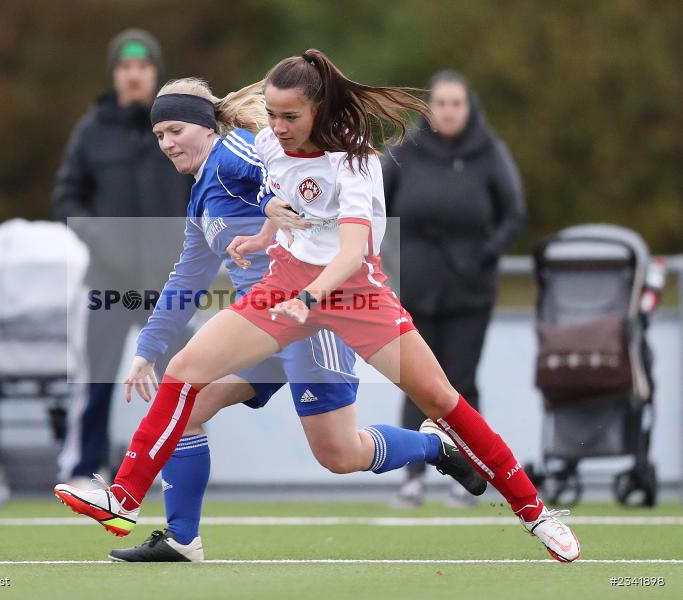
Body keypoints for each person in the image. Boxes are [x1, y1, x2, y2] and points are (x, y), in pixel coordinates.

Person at [55, 49, 581, 563]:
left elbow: (351, 251)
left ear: (319, 110)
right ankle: (125, 500)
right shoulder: (264, 143)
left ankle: (534, 511)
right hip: (285, 290)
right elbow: (273, 197)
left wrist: (308, 296)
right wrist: (264, 235)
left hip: (354, 294)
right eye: (274, 114)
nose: (277, 127)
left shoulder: (352, 160)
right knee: (185, 372)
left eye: (290, 117)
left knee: (434, 403)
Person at [52, 29, 192, 487]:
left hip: (167, 281)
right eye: (125, 67)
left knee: (181, 377)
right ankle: (84, 469)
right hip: (108, 279)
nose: (134, 75)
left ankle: (172, 465)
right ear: (115, 74)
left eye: (143, 67)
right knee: (97, 380)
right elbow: (68, 195)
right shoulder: (92, 131)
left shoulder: (177, 129)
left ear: (156, 74)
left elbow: (205, 188)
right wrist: (99, 238)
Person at [383, 70, 526, 508]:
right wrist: (388, 260)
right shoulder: (406, 149)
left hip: (470, 291)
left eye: (455, 103)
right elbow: (372, 208)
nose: (447, 111)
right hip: (415, 288)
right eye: (440, 103)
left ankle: (470, 474)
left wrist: (484, 254)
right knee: (418, 384)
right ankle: (411, 477)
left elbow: (513, 213)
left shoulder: (488, 152)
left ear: (468, 107)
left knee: (460, 383)